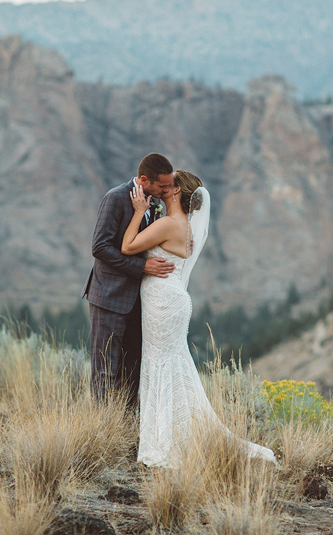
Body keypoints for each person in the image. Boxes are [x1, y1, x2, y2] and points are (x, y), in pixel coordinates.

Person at [121, 169, 277, 468]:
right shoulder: (183, 226)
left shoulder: (169, 224)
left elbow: (128, 247)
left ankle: (164, 442)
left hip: (163, 301)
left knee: (160, 364)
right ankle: (172, 435)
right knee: (171, 365)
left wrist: (139, 212)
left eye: (170, 183)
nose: (164, 185)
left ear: (177, 191)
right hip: (170, 298)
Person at [83, 153, 176, 408]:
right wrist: (142, 266)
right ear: (144, 180)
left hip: (139, 303)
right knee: (105, 371)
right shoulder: (115, 198)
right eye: (162, 186)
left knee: (132, 369)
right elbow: (100, 247)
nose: (166, 190)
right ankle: (102, 431)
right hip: (109, 298)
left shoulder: (155, 203)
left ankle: (126, 427)